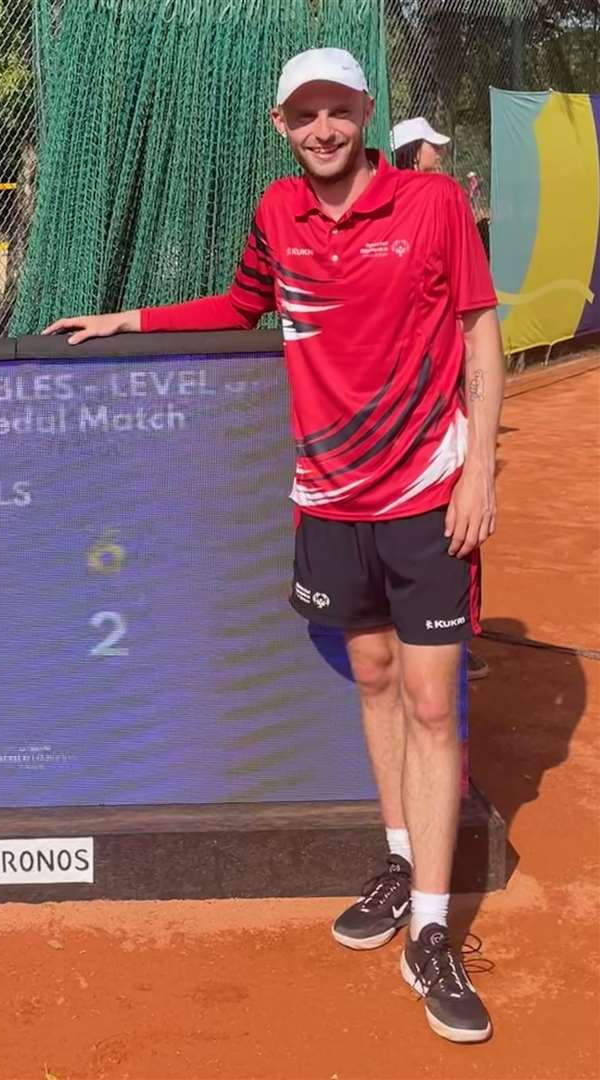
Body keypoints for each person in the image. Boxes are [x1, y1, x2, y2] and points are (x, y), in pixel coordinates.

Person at [44, 48, 502, 1044]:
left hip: (427, 494)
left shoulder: (428, 207)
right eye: (306, 115)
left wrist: (479, 473)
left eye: (339, 111)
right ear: (280, 123)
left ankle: (431, 930)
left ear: (365, 112)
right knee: (374, 677)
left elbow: (477, 331)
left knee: (431, 703)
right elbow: (237, 304)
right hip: (329, 501)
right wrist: (132, 316)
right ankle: (395, 858)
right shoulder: (277, 213)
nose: (324, 128)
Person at [393, 120, 492, 680]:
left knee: (457, 526)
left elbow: (474, 319)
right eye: (433, 146)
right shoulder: (402, 204)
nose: (440, 154)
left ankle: (454, 638)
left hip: (443, 400)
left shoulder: (446, 200)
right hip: (407, 412)